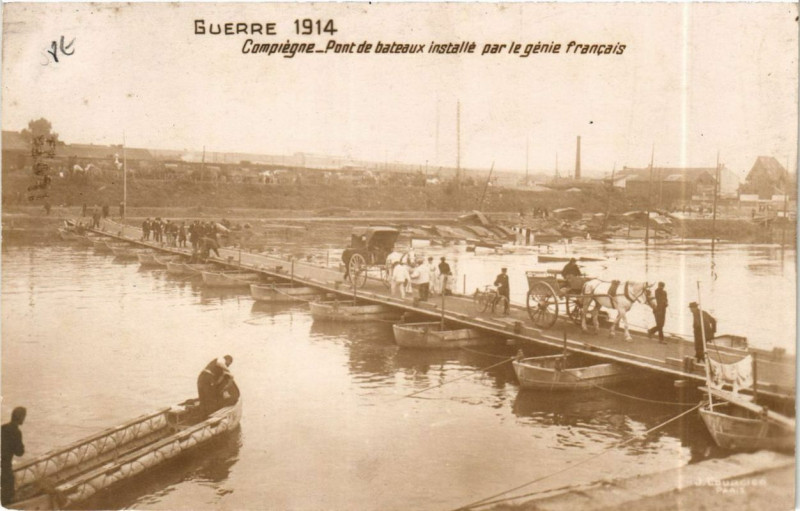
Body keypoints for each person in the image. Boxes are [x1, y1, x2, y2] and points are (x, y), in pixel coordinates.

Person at [1, 407, 26, 506]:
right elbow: (19, 453)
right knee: (8, 496)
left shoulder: (3, 428)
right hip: (6, 466)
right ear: (20, 417)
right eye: (24, 417)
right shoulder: (16, 432)